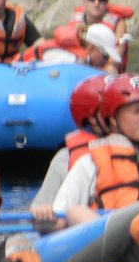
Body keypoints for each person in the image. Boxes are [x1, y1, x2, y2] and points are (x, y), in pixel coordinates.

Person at [50, 73, 139, 227]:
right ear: (113, 119)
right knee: (75, 211)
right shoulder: (89, 163)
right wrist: (44, 220)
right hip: (110, 243)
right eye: (136, 111)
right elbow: (59, 218)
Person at [29, 74, 112, 226]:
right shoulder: (65, 158)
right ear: (92, 117)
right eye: (110, 109)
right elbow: (41, 211)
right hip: (85, 234)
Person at [52, 0, 132, 67]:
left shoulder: (118, 24)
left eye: (102, 0)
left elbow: (115, 59)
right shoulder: (76, 21)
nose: (96, 3)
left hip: (106, 68)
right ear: (84, 0)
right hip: (81, 65)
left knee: (111, 67)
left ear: (107, 3)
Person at [16, 22, 122, 73]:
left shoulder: (82, 60)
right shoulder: (69, 59)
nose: (107, 61)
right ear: (92, 48)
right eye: (106, 56)